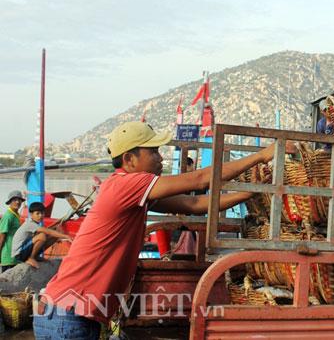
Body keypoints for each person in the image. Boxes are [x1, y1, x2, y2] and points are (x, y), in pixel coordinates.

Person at [34, 121, 293, 339]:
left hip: (65, 312)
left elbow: (195, 204)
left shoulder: (130, 190)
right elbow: (200, 179)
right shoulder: (127, 184)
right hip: (67, 316)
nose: (160, 157)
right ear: (129, 159)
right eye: (153, 151)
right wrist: (262, 154)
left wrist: (256, 190)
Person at [11, 201, 72, 269]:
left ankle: (35, 256)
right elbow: (48, 231)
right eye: (38, 213)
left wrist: (57, 231)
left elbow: (49, 231)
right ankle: (31, 258)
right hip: (19, 254)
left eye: (42, 213)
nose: (40, 215)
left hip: (24, 250)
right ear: (31, 214)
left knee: (54, 237)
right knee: (42, 236)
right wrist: (66, 236)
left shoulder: (36, 224)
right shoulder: (30, 224)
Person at [0, 190, 26, 272]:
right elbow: (2, 237)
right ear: (10, 202)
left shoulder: (16, 215)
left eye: (19, 200)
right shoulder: (8, 216)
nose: (18, 202)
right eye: (14, 200)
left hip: (14, 255)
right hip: (8, 257)